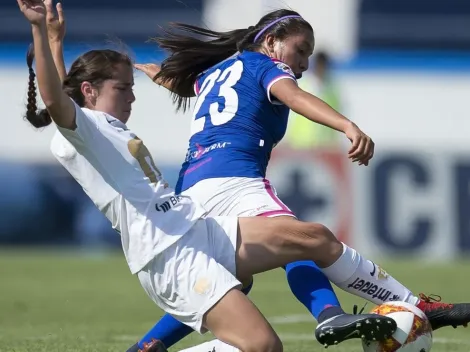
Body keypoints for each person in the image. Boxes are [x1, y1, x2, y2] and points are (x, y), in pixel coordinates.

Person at [17, 1, 403, 352]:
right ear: (89, 90)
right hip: (167, 250)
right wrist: (39, 31)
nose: (132, 98)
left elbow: (64, 94)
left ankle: (403, 306)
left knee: (311, 238)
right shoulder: (85, 130)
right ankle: (391, 309)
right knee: (262, 347)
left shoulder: (104, 128)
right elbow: (58, 100)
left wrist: (55, 39)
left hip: (193, 227)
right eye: (123, 89)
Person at [130, 8, 470, 352]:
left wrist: (163, 78)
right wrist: (346, 125)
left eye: (308, 53)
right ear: (271, 42)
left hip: (190, 192)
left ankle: (145, 347)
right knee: (310, 239)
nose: (304, 62)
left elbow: (194, 89)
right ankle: (365, 309)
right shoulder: (267, 66)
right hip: (234, 181)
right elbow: (295, 97)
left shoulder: (216, 72)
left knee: (231, 280)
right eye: (301, 49)